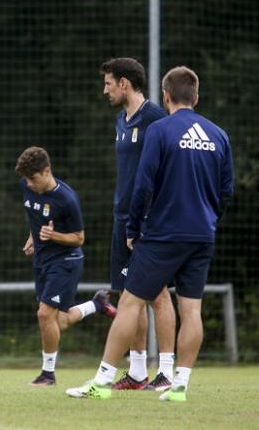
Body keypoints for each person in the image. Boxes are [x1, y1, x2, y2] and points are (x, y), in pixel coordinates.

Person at [66, 66, 234, 402]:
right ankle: (179, 385)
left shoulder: (159, 129)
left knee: (129, 302)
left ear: (167, 96)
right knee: (191, 309)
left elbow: (143, 185)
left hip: (163, 234)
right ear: (196, 97)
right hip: (202, 234)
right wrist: (209, 219)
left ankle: (101, 382)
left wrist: (134, 229)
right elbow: (226, 189)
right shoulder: (219, 135)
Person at [100, 57, 177, 391]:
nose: (104, 90)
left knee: (158, 294)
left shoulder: (157, 119)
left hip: (149, 222)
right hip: (123, 220)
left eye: (107, 83)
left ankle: (167, 373)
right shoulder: (120, 119)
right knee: (129, 294)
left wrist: (150, 217)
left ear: (124, 83)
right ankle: (136, 372)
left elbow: (172, 171)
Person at [16, 146, 117, 387]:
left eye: (33, 178)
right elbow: (36, 219)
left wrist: (53, 236)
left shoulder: (66, 199)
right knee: (57, 322)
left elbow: (79, 238)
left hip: (66, 261)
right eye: (26, 179)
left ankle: (48, 374)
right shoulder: (27, 186)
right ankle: (97, 304)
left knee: (44, 314)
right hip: (42, 261)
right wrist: (33, 237)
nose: (29, 184)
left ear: (47, 171)